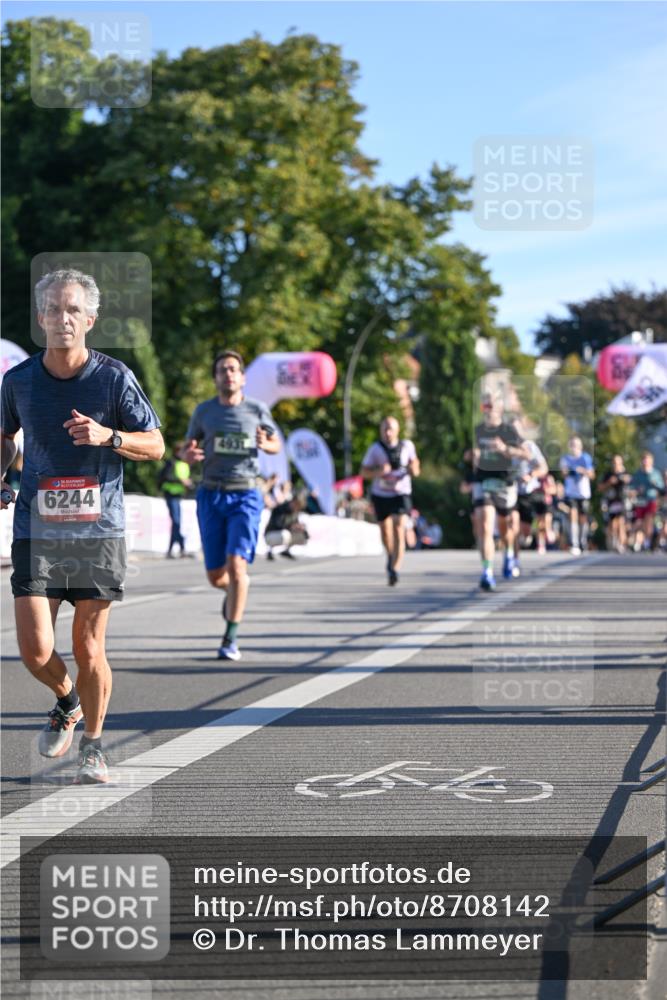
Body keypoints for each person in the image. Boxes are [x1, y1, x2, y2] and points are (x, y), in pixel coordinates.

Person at [0, 269, 164, 784]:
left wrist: (108, 435)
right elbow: (5, 437)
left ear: (89, 319)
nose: (63, 318)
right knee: (36, 649)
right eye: (54, 308)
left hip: (98, 532)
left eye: (74, 309)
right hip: (36, 528)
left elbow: (156, 445)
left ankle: (93, 744)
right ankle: (66, 700)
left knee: (89, 648)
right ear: (41, 317)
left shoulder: (114, 378)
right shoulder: (18, 381)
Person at [183, 350, 280, 661]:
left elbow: (275, 442)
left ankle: (230, 637)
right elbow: (189, 447)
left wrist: (268, 445)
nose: (229, 374)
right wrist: (189, 456)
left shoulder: (257, 409)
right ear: (216, 378)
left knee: (238, 565)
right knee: (216, 575)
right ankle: (231, 593)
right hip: (211, 493)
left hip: (246, 494)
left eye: (234, 370)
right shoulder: (204, 412)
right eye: (223, 370)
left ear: (243, 377)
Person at [471, 392, 530, 591]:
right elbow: (472, 454)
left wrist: (505, 449)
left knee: (505, 529)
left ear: (499, 409)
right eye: (484, 405)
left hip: (504, 482)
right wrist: (474, 457)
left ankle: (508, 554)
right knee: (485, 525)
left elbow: (526, 454)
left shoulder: (508, 430)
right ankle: (486, 572)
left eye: (490, 405)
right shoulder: (478, 430)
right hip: (483, 481)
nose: (487, 409)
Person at [361, 416, 420, 585]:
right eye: (384, 429)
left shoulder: (407, 446)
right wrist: (379, 471)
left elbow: (416, 467)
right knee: (386, 531)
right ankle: (390, 555)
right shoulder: (375, 449)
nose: (387, 433)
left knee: (399, 527)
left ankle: (395, 568)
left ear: (397, 430)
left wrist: (412, 469)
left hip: (401, 494)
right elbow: (364, 472)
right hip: (381, 494)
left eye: (390, 429)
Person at [511, 419, 548, 571]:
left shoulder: (530, 446)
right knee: (512, 526)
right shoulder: (505, 447)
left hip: (527, 492)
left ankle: (526, 537)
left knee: (524, 529)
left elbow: (543, 468)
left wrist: (531, 475)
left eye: (516, 429)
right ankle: (514, 560)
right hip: (511, 491)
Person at [559, 436, 595, 554]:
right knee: (572, 514)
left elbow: (592, 475)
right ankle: (574, 543)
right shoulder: (565, 459)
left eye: (576, 445)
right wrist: (569, 471)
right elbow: (563, 474)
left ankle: (582, 541)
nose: (574, 448)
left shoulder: (585, 458)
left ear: (580, 446)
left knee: (583, 518)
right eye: (572, 445)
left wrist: (582, 471)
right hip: (571, 492)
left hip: (583, 493)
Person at [160, 441, 194, 558]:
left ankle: (172, 550)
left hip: (178, 495)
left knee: (177, 523)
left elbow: (186, 479)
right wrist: (181, 481)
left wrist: (189, 484)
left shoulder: (184, 464)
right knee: (176, 522)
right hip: (170, 494)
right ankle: (181, 548)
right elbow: (167, 477)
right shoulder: (171, 462)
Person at [629, 451, 664, 552]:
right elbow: (632, 487)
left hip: (651, 500)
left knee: (648, 521)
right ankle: (638, 540)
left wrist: (655, 484)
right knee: (639, 522)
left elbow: (661, 487)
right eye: (644, 460)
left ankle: (647, 542)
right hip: (640, 501)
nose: (645, 462)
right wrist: (635, 490)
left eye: (647, 460)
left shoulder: (655, 473)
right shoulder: (638, 474)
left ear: (651, 462)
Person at [599, 455, 631, 553]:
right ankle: (616, 542)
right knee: (613, 523)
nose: (616, 465)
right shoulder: (608, 474)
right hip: (611, 502)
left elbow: (631, 481)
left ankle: (622, 544)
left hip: (622, 501)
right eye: (614, 463)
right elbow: (600, 488)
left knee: (621, 522)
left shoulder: (625, 473)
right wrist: (609, 482)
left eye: (618, 463)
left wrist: (625, 479)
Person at [265, 491, 309, 560]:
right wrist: (291, 526)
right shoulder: (280, 509)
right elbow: (277, 524)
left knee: (302, 536)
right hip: (271, 533)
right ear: (293, 502)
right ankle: (270, 551)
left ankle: (286, 551)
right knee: (285, 534)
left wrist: (299, 527)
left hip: (286, 532)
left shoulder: (295, 511)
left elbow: (295, 523)